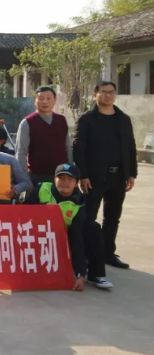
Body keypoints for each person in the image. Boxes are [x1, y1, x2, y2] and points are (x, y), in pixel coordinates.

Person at [73, 80, 138, 269]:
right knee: (89, 217)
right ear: (95, 95)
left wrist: (131, 173)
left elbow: (130, 147)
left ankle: (108, 253)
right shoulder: (86, 119)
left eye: (111, 92)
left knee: (112, 217)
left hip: (118, 176)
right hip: (93, 178)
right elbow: (78, 148)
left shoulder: (123, 119)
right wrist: (83, 175)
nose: (108, 95)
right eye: (103, 92)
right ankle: (86, 255)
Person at [24, 164, 113, 290]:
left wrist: (80, 274)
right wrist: (42, 209)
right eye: (61, 178)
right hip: (37, 232)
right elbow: (22, 212)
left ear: (76, 183)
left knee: (93, 228)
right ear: (54, 179)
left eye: (70, 179)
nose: (64, 182)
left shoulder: (78, 203)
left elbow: (77, 238)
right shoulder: (41, 189)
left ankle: (95, 275)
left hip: (64, 235)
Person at [16, 86, 73, 185]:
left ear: (54, 100)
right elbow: (20, 152)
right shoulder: (27, 123)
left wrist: (70, 170)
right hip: (37, 177)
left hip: (62, 176)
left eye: (48, 98)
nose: (45, 102)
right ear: (35, 101)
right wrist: (25, 179)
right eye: (41, 98)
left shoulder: (61, 120)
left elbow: (67, 146)